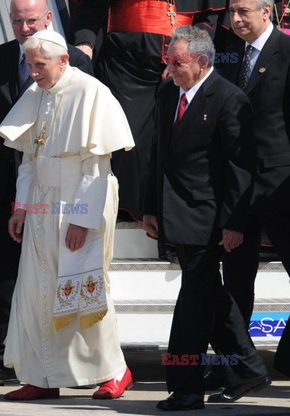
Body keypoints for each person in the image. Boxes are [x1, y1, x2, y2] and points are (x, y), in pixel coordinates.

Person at [0, 0, 93, 389]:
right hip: (4, 184)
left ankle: (61, 360)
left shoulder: (75, 62)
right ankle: (2, 361)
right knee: (5, 275)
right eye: (17, 21)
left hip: (57, 189)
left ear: (48, 19)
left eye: (30, 21)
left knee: (56, 273)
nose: (23, 28)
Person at [0, 30, 134, 401]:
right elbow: (28, 160)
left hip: (79, 200)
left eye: (39, 65)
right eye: (29, 65)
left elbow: (97, 166)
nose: (33, 72)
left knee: (85, 290)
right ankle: (43, 375)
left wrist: (82, 219)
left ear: (63, 60)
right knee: (37, 290)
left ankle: (115, 371)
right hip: (42, 204)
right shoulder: (36, 93)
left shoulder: (92, 93)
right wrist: (21, 206)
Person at [143, 26, 270, 411]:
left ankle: (186, 387)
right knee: (208, 295)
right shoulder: (167, 93)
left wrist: (234, 223)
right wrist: (150, 206)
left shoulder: (229, 100)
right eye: (168, 61)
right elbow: (159, 155)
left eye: (177, 62)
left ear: (202, 61)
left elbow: (240, 168)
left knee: (194, 304)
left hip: (208, 218)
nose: (171, 68)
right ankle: (247, 368)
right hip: (174, 213)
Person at [70, 0, 230, 224]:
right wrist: (85, 44)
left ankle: (173, 225)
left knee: (182, 145)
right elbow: (89, 9)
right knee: (128, 141)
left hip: (183, 65)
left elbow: (208, 17)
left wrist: (187, 55)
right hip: (125, 66)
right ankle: (128, 213)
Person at [204, 0, 290, 393]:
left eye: (243, 12)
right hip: (235, 187)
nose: (235, 20)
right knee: (235, 281)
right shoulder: (226, 55)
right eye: (231, 12)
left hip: (279, 182)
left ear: (267, 12)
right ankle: (235, 367)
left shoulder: (287, 53)